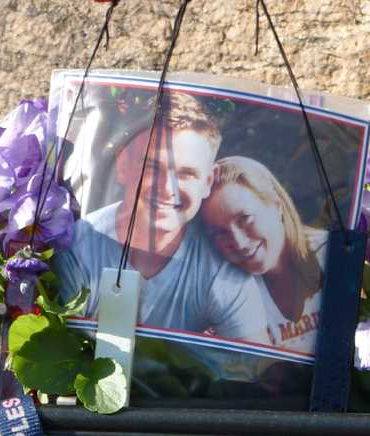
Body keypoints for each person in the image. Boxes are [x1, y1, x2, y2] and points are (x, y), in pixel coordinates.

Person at [52, 94, 267, 343]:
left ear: (208, 181)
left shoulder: (223, 271)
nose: (167, 188)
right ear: (123, 166)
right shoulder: (76, 250)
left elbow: (255, 369)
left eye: (187, 173)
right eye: (152, 168)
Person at [201, 156, 327, 353]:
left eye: (245, 218)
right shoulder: (229, 296)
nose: (239, 242)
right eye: (219, 233)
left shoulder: (330, 256)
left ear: (276, 205)